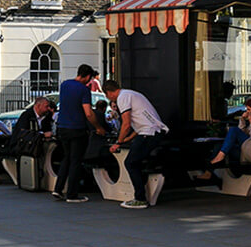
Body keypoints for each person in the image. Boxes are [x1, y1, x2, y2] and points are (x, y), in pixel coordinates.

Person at [103, 79, 168, 210]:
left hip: (149, 133)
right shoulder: (131, 94)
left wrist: (119, 142)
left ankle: (140, 198)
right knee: (136, 162)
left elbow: (126, 124)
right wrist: (127, 139)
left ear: (109, 93)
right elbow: (139, 123)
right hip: (152, 132)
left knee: (130, 163)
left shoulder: (122, 98)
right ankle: (141, 193)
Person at [52, 64, 105, 203]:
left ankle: (58, 189)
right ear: (88, 77)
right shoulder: (84, 90)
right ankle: (72, 194)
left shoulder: (64, 85)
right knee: (76, 161)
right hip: (76, 128)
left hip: (62, 127)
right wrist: (98, 127)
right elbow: (88, 113)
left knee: (66, 158)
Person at [195, 97, 251, 181]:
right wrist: (242, 119)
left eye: (248, 109)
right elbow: (242, 134)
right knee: (219, 145)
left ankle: (220, 157)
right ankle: (209, 172)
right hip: (249, 150)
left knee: (233, 130)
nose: (246, 112)